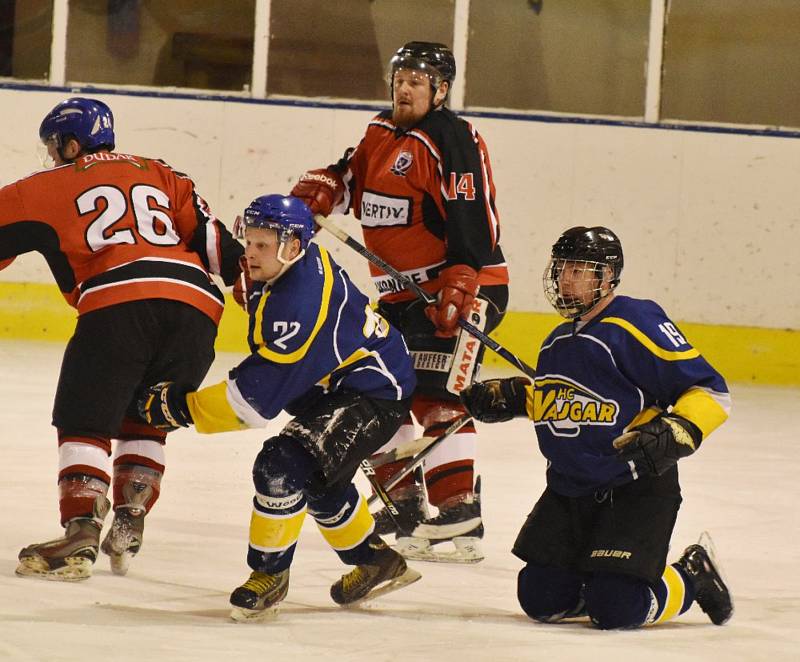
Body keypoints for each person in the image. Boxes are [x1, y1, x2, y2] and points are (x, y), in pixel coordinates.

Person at [138, 194, 421, 620]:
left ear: (291, 246)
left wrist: (181, 407)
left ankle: (269, 575)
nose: (249, 254)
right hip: (344, 381)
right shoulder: (296, 263)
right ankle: (376, 561)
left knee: (281, 465)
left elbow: (254, 400)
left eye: (261, 246)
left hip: (374, 393)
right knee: (321, 478)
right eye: (248, 242)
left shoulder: (302, 305)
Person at [0, 97, 244, 581]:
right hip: (198, 310)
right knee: (147, 416)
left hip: (119, 304)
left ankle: (80, 531)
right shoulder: (162, 172)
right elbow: (219, 247)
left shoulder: (47, 186)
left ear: (73, 144)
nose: (52, 157)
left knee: (84, 420)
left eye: (55, 147)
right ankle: (131, 515)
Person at [289, 41, 509, 563]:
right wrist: (325, 188)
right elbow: (349, 183)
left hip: (460, 286)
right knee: (380, 392)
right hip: (400, 295)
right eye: (400, 78)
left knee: (436, 396)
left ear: (441, 90)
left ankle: (460, 513)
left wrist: (459, 281)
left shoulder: (452, 138)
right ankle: (404, 503)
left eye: (418, 80)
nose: (405, 88)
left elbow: (478, 221)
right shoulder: (379, 133)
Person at [460, 226, 734, 629]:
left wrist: (677, 431)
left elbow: (711, 390)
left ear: (606, 277)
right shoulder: (556, 341)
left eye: (579, 269)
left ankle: (691, 575)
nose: (566, 278)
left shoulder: (634, 320)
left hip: (634, 488)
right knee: (541, 600)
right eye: (562, 269)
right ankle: (601, 570)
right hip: (570, 490)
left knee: (618, 610)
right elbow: (570, 403)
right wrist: (513, 397)